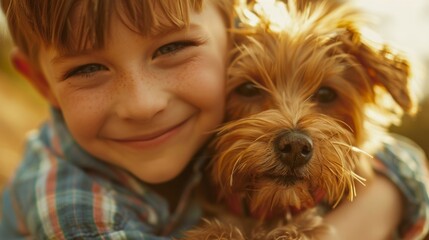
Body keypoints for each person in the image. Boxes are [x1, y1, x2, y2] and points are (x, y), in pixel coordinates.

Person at [0, 0, 427, 239]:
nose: (143, 104)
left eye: (326, 95)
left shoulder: (188, 136)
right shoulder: (73, 205)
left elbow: (405, 166)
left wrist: (393, 187)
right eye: (248, 91)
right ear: (41, 81)